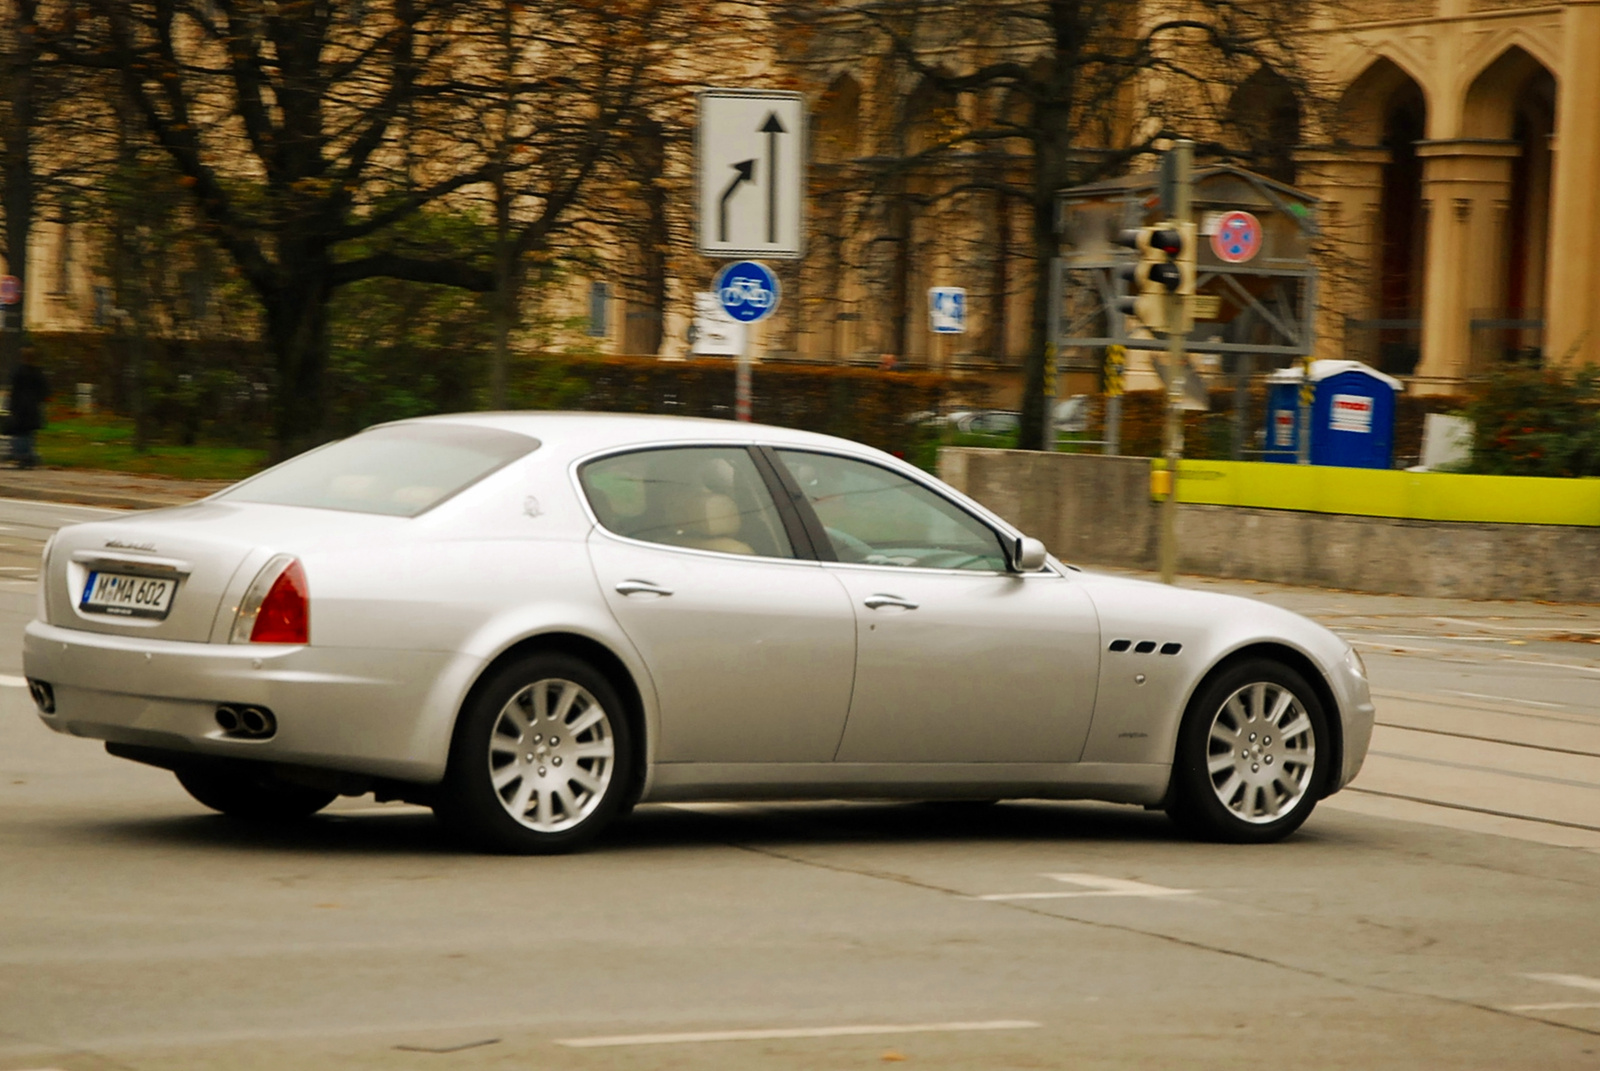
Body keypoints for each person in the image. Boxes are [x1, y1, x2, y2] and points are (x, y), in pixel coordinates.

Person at [7, 346, 50, 469]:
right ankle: (29, 455)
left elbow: (14, 390)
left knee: (20, 432)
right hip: (33, 407)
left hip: (19, 406)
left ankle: (22, 456)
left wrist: (11, 406)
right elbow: (45, 390)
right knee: (29, 433)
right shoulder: (38, 372)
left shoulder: (19, 372)